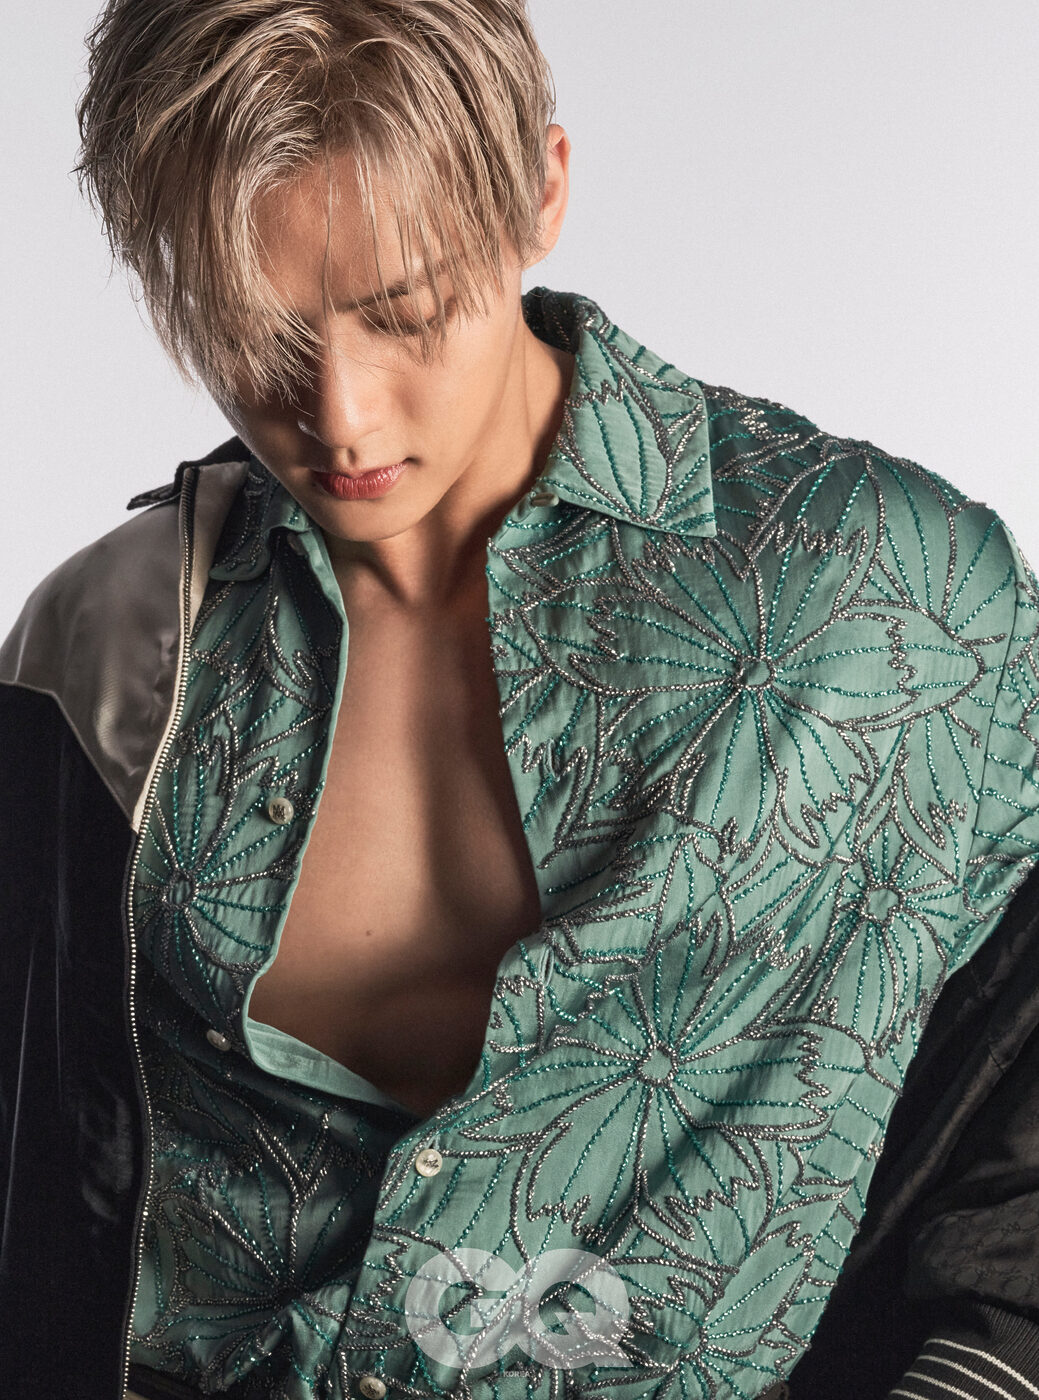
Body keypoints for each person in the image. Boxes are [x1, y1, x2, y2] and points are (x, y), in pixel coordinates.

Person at [1, 3, 1037, 1399]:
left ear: (542, 194)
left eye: (406, 312)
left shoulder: (885, 596)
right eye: (258, 333)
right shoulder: (109, 649)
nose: (342, 416)